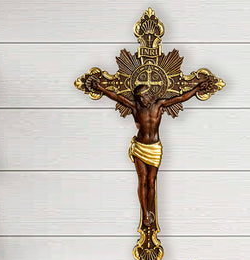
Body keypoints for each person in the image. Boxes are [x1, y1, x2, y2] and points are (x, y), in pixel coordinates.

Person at [88, 77, 215, 226]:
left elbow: (181, 97)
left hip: (154, 148)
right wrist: (101, 89)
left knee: (151, 181)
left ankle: (150, 209)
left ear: (150, 95)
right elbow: (117, 97)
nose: (142, 100)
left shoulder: (160, 105)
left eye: (143, 96)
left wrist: (196, 89)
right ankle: (145, 213)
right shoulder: (135, 107)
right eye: (139, 98)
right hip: (140, 147)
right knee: (142, 180)